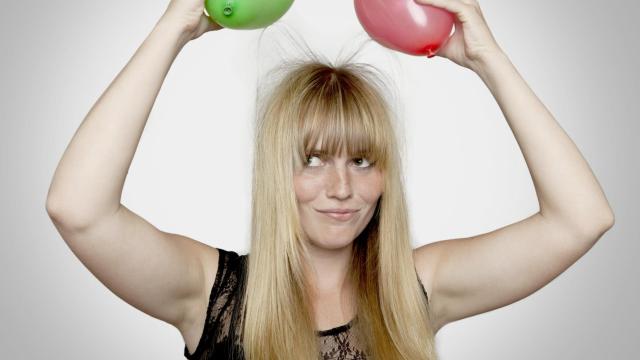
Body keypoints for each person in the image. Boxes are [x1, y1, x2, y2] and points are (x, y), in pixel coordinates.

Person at [45, 0, 615, 359]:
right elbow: (78, 209)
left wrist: (488, 59)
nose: (341, 188)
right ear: (277, 171)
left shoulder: (416, 291)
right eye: (313, 159)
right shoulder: (208, 293)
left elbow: (582, 218)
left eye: (362, 161)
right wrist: (173, 27)